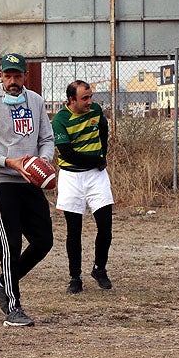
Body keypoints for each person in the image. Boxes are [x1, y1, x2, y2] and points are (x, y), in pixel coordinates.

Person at [0, 53, 55, 327]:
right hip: (2, 181)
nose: (13, 81)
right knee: (10, 246)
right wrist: (9, 162)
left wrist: (42, 161)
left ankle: (3, 280)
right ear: (0, 75)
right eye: (8, 76)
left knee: (43, 241)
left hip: (30, 181)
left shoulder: (36, 101)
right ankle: (13, 309)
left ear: (25, 76)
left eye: (17, 76)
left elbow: (46, 139)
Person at [51, 80, 114, 294]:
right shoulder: (60, 120)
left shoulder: (96, 111)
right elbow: (67, 154)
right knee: (74, 230)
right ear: (71, 99)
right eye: (84, 98)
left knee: (105, 225)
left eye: (90, 97)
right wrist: (96, 161)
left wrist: (102, 155)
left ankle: (99, 268)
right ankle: (75, 277)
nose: (90, 102)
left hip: (96, 176)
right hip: (71, 177)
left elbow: (104, 131)